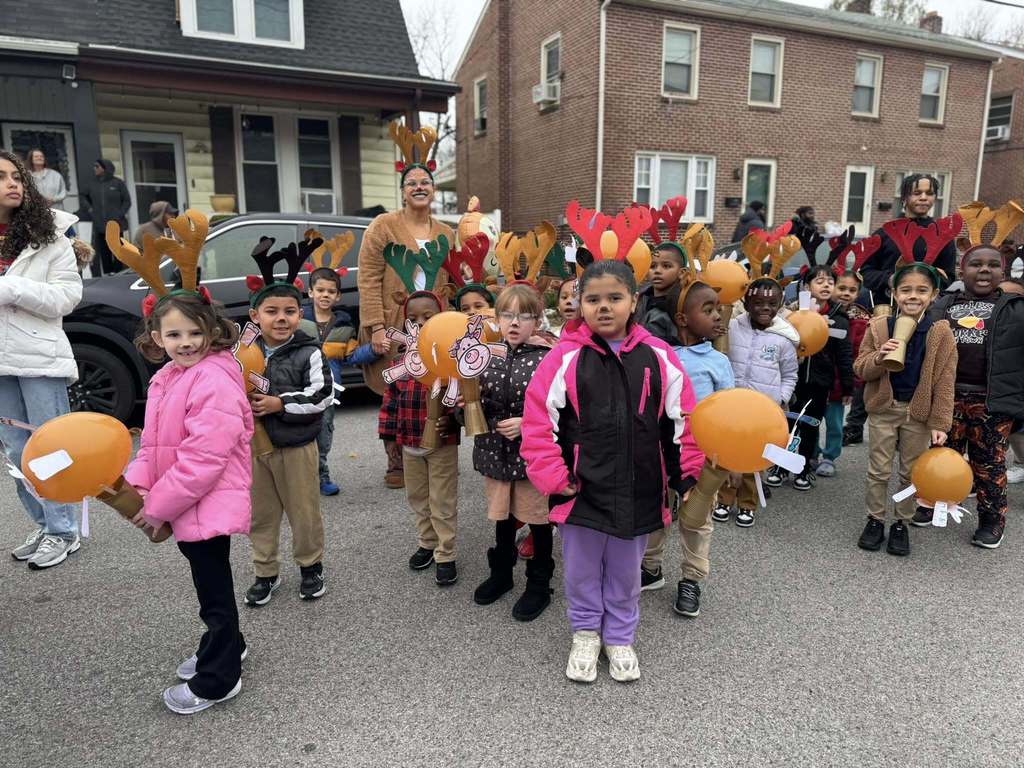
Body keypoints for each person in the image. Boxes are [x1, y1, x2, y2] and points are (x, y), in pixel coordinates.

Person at [521, 260, 703, 684]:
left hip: (640, 488)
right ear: (580, 306)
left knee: (625, 569)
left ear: (633, 301)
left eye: (614, 298)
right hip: (579, 488)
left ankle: (620, 635)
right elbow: (536, 421)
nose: (604, 307)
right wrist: (553, 476)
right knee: (582, 568)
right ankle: (585, 631)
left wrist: (685, 475)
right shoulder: (564, 357)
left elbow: (683, 421)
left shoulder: (659, 355)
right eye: (593, 299)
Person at [125, 291, 253, 714]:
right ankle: (229, 645)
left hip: (204, 503)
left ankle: (219, 678)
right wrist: (138, 485)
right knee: (209, 582)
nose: (186, 342)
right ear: (157, 337)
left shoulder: (213, 378)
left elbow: (204, 460)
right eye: (175, 333)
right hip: (184, 501)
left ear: (213, 332)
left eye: (195, 332)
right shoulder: (168, 377)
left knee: (214, 591)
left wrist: (158, 506)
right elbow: (153, 442)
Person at [356, 126, 453, 489]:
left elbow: (453, 279)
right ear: (402, 191)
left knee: (432, 386)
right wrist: (376, 326)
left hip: (435, 324)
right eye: (411, 182)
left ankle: (431, 450)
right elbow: (367, 277)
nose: (418, 187)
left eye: (424, 182)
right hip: (396, 322)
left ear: (433, 189)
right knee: (394, 392)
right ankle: (396, 461)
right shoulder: (382, 226)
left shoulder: (446, 232)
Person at [0, 149, 83, 570]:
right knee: (16, 451)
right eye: (1, 177)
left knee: (50, 447)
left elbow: (67, 298)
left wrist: (10, 289)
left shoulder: (51, 235)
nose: (12, 183)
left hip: (39, 357)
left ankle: (64, 530)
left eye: (16, 176)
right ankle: (43, 523)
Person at [921, 240, 1024, 547]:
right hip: (947, 396)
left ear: (1003, 272)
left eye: (992, 265)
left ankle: (992, 521)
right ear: (961, 270)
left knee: (988, 466)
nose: (984, 270)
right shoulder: (943, 305)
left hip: (991, 401)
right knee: (941, 456)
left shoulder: (1015, 309)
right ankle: (933, 502)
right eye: (975, 264)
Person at [640, 277, 733, 619]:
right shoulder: (656, 355)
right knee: (654, 511)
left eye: (718, 310)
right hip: (661, 449)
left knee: (696, 519)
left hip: (702, 455)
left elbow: (729, 412)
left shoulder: (718, 362)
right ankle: (650, 569)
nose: (717, 317)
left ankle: (692, 578)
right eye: (707, 310)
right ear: (682, 319)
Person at [244, 263, 334, 606]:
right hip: (255, 448)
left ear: (300, 314)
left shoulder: (308, 351)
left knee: (303, 511)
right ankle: (265, 571)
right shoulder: (242, 353)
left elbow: (322, 395)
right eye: (272, 312)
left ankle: (311, 566)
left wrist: (278, 403)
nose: (281, 319)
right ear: (255, 315)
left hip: (296, 446)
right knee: (261, 514)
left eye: (290, 311)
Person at [854, 263, 955, 556]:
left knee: (911, 472)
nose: (914, 296)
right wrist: (877, 357)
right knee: (879, 470)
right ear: (895, 293)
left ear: (934, 294)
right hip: (884, 408)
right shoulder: (879, 326)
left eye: (922, 290)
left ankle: (902, 522)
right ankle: (875, 519)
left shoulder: (940, 332)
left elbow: (946, 381)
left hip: (918, 412)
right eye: (906, 290)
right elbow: (860, 369)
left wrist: (940, 423)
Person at [471, 284, 556, 621]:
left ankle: (539, 583)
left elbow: (560, 406)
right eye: (507, 315)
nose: (515, 322)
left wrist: (527, 422)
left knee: (538, 520)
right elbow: (474, 398)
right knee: (503, 517)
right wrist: (466, 403)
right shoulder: (486, 354)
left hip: (533, 456)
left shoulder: (548, 356)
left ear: (537, 319)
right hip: (495, 452)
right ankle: (502, 573)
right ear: (497, 318)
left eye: (524, 315)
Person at [381, 290, 461, 586]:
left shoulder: (449, 361)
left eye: (428, 317)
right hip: (408, 442)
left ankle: (446, 553)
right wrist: (388, 439)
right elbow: (388, 405)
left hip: (441, 443)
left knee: (442, 500)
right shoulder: (399, 365)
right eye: (413, 319)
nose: (420, 323)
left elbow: (460, 400)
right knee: (417, 497)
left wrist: (452, 420)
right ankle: (426, 542)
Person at [722, 277, 799, 526]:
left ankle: (747, 504)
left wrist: (782, 398)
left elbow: (790, 374)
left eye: (772, 303)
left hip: (763, 411)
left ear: (781, 304)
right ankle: (723, 499)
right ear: (746, 302)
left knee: (754, 460)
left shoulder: (784, 338)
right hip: (732, 406)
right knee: (727, 454)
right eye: (758, 303)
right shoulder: (731, 328)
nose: (765, 308)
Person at [770, 266, 852, 490]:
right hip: (792, 380)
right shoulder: (790, 314)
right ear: (806, 287)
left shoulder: (839, 318)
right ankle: (780, 466)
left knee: (810, 426)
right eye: (819, 281)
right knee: (785, 425)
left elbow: (844, 354)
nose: (826, 285)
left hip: (820, 382)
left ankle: (804, 469)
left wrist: (847, 386)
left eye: (830, 282)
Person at [300, 266, 378, 497]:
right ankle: (300, 480)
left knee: (323, 434)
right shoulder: (298, 319)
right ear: (310, 292)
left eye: (330, 291)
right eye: (320, 290)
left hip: (327, 391)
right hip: (299, 388)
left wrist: (373, 350)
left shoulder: (343, 325)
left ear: (338, 296)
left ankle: (321, 476)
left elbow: (350, 356)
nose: (325, 295)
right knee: (298, 435)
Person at [861, 174, 956, 307]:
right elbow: (865, 273)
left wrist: (926, 282)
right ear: (904, 197)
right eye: (917, 193)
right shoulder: (884, 234)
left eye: (929, 193)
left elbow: (949, 278)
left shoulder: (942, 236)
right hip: (886, 308)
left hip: (927, 310)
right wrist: (889, 279)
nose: (923, 198)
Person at [831, 268, 871, 451]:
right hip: (821, 375)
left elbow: (859, 352)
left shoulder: (861, 319)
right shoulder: (822, 311)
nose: (846, 294)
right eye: (841, 288)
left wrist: (853, 382)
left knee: (834, 422)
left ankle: (831, 455)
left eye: (852, 290)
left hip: (845, 376)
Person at [80, 158, 131, 275]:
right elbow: (82, 195)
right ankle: (109, 273)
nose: (95, 169)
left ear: (105, 168)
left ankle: (120, 272)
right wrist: (90, 209)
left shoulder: (118, 183)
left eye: (97, 166)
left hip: (116, 223)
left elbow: (127, 201)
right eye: (94, 166)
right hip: (100, 223)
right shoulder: (92, 183)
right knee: (104, 250)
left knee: (118, 248)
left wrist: (120, 214)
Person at [633, 242, 684, 345]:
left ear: (681, 272)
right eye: (653, 266)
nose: (657, 271)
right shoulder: (638, 299)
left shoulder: (683, 304)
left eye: (666, 266)